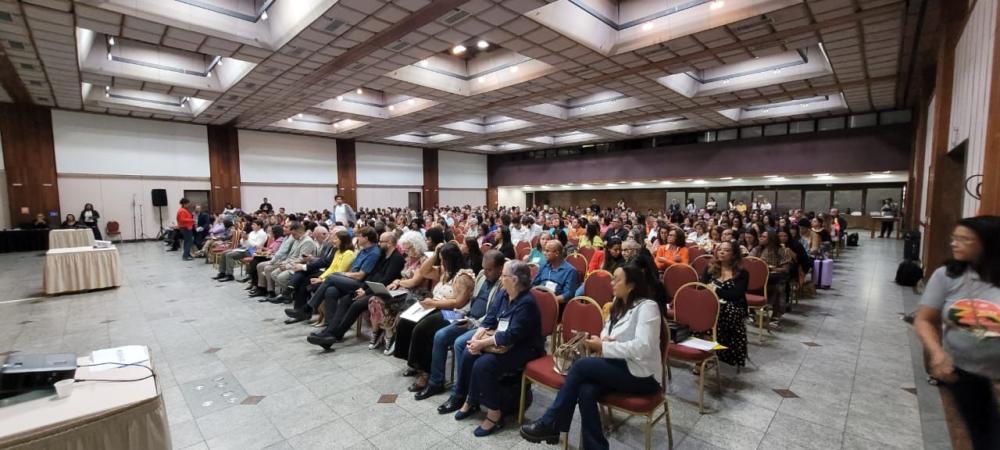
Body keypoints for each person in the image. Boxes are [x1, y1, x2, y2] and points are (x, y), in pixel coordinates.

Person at [520, 264, 662, 449]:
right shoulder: (617, 306)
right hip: (616, 366)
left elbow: (644, 346)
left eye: (617, 279)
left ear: (632, 285)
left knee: (581, 366)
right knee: (586, 390)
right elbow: (606, 333)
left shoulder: (647, 307)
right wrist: (601, 340)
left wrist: (605, 345)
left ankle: (551, 422)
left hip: (642, 374)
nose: (612, 283)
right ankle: (595, 446)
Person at [914, 216, 1000, 450]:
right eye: (955, 238)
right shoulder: (947, 275)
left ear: (988, 243)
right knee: (981, 435)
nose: (954, 243)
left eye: (965, 239)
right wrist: (937, 353)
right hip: (963, 371)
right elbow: (924, 319)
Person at [453, 260, 544, 437]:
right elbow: (490, 318)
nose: (501, 278)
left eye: (504, 275)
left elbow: (511, 335)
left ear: (515, 280)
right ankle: (470, 399)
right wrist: (476, 337)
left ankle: (494, 412)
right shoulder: (504, 293)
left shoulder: (527, 303)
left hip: (524, 348)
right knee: (468, 352)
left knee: (483, 365)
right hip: (501, 342)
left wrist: (482, 344)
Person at [394, 242, 475, 393]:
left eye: (444, 259)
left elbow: (458, 302)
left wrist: (434, 304)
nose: (441, 262)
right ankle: (414, 363)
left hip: (455, 313)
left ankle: (426, 372)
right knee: (406, 321)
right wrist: (436, 253)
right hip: (436, 306)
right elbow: (423, 271)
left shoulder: (464, 276)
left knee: (423, 328)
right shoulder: (445, 271)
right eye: (441, 259)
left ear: (452, 259)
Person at [307, 231, 405, 350]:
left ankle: (334, 335)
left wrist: (366, 292)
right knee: (345, 299)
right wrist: (362, 288)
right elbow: (372, 275)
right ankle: (329, 332)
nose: (379, 244)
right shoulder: (383, 256)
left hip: (382, 292)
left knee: (357, 304)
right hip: (371, 287)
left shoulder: (397, 258)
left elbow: (386, 280)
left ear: (389, 243)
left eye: (381, 242)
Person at [434, 251, 505, 408]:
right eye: (484, 269)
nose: (486, 273)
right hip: (468, 316)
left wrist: (473, 323)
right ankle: (436, 381)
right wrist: (464, 314)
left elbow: (493, 314)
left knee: (460, 343)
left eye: (489, 270)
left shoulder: (503, 284)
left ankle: (460, 392)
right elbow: (473, 300)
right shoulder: (481, 275)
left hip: (483, 324)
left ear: (500, 269)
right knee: (440, 335)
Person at [701, 241, 748, 368]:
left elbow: (736, 294)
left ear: (734, 254)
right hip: (710, 303)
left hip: (734, 305)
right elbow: (702, 287)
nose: (722, 252)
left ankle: (722, 352)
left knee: (726, 311)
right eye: (720, 249)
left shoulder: (742, 273)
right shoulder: (709, 268)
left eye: (727, 250)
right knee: (700, 312)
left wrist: (716, 290)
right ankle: (704, 353)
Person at [750, 230, 793, 325]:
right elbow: (750, 262)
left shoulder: (781, 250)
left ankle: (776, 315)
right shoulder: (757, 249)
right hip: (758, 277)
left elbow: (786, 269)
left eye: (764, 237)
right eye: (760, 236)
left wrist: (773, 268)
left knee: (779, 287)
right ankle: (750, 313)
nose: (760, 238)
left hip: (774, 277)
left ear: (771, 239)